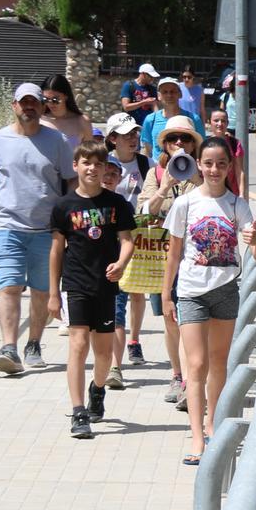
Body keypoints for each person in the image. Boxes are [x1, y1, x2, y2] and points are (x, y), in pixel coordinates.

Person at [162, 136, 256, 464]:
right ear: (199, 165)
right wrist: (167, 295)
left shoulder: (237, 204)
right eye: (208, 163)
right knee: (196, 365)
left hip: (225, 290)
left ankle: (212, 424)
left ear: (229, 166)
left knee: (219, 363)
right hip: (191, 292)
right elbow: (174, 253)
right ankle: (196, 437)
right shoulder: (186, 204)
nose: (214, 169)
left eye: (221, 163)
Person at [0, 83, 77, 374]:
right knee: (9, 287)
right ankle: (9, 348)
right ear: (14, 106)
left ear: (42, 107)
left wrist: (72, 221)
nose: (28, 107)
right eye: (23, 102)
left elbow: (71, 182)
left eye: (34, 103)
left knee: (41, 291)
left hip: (45, 229)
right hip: (6, 225)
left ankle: (34, 343)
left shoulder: (58, 141)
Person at [48, 140, 135, 438]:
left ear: (104, 168)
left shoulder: (117, 204)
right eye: (86, 163)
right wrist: (52, 294)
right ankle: (78, 411)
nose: (92, 169)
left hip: (106, 285)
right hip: (76, 283)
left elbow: (127, 240)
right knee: (78, 343)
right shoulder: (63, 206)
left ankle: (97, 390)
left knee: (103, 354)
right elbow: (57, 250)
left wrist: (122, 263)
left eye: (98, 164)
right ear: (76, 166)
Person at [140, 115, 205, 407]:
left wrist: (197, 179)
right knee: (170, 319)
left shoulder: (204, 172)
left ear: (193, 144)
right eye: (173, 139)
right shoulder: (155, 174)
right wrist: (165, 186)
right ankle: (177, 375)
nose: (179, 144)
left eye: (185, 139)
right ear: (164, 144)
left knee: (191, 319)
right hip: (163, 259)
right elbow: (142, 213)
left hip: (195, 259)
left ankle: (192, 382)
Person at [104, 112, 155, 382]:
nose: (133, 139)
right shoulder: (104, 165)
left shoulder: (146, 163)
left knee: (137, 293)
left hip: (138, 236)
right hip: (108, 237)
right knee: (117, 300)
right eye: (127, 135)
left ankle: (134, 340)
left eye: (135, 133)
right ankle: (115, 361)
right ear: (113, 139)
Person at [142, 77, 207, 160]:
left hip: (187, 169)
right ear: (159, 96)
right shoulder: (150, 120)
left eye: (173, 91)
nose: (169, 95)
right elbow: (147, 151)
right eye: (165, 92)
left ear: (180, 94)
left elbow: (200, 148)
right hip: (158, 170)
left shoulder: (193, 119)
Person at [40, 74, 94, 148]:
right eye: (46, 99)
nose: (50, 103)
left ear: (66, 96)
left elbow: (90, 153)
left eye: (55, 99)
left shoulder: (82, 121)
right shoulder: (39, 120)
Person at [207, 109, 245, 195]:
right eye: (216, 120)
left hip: (231, 192)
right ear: (210, 122)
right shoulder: (205, 144)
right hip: (210, 193)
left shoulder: (234, 144)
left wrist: (242, 194)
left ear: (227, 123)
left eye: (223, 121)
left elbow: (239, 171)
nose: (220, 124)